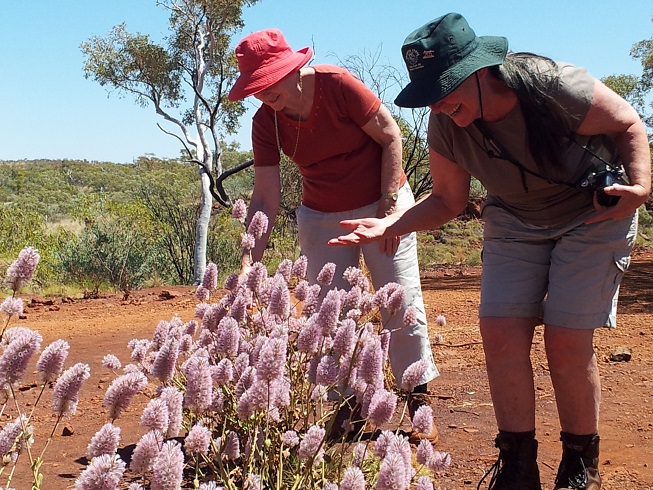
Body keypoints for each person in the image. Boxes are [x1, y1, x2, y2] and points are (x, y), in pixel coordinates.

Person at [329, 12, 651, 490]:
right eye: (430, 96)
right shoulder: (447, 125)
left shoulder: (551, 85)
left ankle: (579, 464)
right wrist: (391, 222)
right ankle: (518, 466)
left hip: (591, 214)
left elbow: (627, 123)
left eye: (446, 89)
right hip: (516, 218)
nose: (438, 105)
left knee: (565, 338)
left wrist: (641, 184)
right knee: (500, 331)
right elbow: (447, 200)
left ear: (479, 72)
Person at [227, 28, 440, 442]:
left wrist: (389, 205)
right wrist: (249, 257)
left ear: (293, 69)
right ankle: (347, 410)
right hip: (321, 214)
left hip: (383, 198)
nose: (262, 93)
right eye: (255, 87)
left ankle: (418, 405)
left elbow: (390, 135)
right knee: (328, 312)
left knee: (400, 300)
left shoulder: (336, 85)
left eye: (268, 82)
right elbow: (265, 198)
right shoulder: (264, 123)